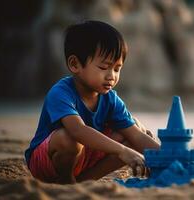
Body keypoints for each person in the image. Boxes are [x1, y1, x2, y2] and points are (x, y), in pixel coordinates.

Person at [24, 20, 160, 184]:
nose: (111, 76)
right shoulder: (61, 92)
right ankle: (66, 179)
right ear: (75, 64)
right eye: (104, 67)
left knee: (138, 131)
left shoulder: (110, 98)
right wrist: (123, 151)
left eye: (117, 69)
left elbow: (135, 135)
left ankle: (84, 180)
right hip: (48, 162)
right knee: (67, 138)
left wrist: (170, 158)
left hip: (84, 158)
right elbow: (78, 131)